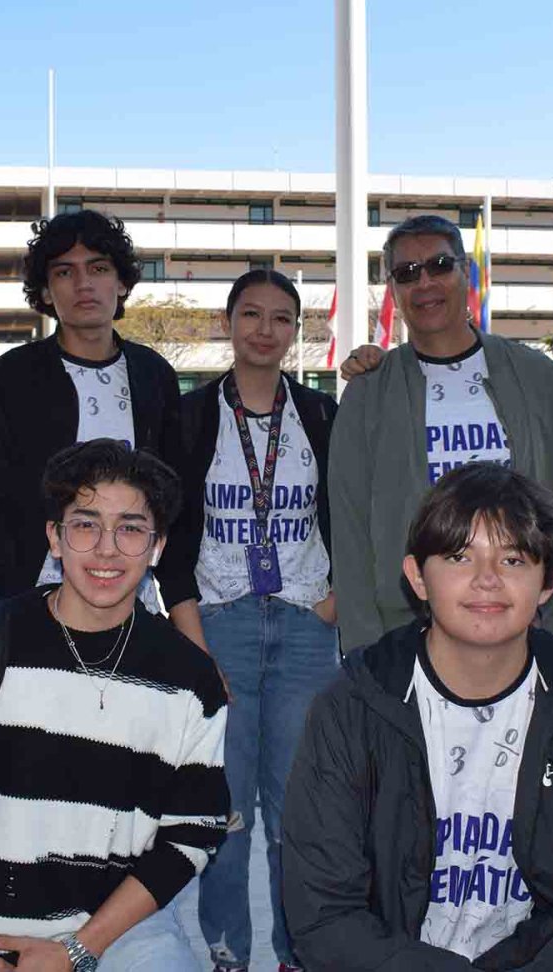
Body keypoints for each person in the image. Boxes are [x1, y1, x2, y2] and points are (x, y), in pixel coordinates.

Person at [283, 463, 553, 971]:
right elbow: (323, 916)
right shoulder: (352, 707)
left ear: (549, 583)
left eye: (513, 559)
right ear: (417, 576)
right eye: (459, 556)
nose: (487, 580)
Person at [0, 440, 230, 972]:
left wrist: (79, 947)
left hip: (121, 936)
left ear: (157, 545)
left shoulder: (190, 678)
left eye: (130, 529)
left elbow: (192, 832)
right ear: (54, 537)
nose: (107, 550)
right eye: (86, 525)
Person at [164, 270, 338, 972]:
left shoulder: (322, 414)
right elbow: (171, 536)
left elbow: (354, 516)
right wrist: (193, 637)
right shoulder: (189, 416)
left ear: (297, 330)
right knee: (225, 810)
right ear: (228, 322)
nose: (265, 330)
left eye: (281, 318)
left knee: (300, 811)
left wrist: (336, 604)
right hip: (220, 624)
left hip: (305, 625)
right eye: (251, 315)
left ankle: (297, 954)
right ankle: (228, 953)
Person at [328, 214, 553, 652]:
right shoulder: (369, 393)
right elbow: (349, 527)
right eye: (407, 273)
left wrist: (546, 596)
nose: (425, 283)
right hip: (405, 632)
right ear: (393, 289)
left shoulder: (536, 377)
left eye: (439, 265)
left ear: (465, 272)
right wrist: (365, 647)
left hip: (517, 625)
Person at [0, 209, 205, 647]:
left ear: (122, 282)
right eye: (64, 272)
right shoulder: (11, 377)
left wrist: (192, 638)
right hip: (32, 612)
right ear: (46, 290)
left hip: (133, 608)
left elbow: (176, 513)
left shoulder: (153, 376)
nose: (83, 284)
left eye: (98, 268)